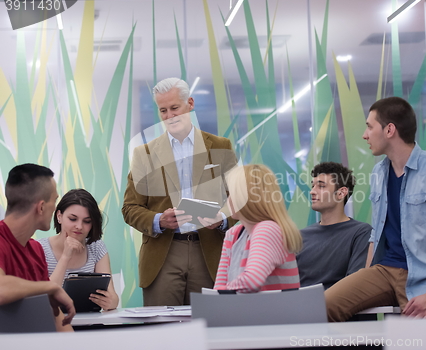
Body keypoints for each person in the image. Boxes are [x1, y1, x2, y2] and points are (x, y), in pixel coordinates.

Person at [324, 97, 426, 321]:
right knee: (322, 307)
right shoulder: (379, 173)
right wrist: (365, 276)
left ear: (389, 130)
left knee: (418, 342)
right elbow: (377, 234)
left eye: (369, 127)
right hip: (384, 271)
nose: (365, 135)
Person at [122, 77, 238, 306]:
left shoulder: (221, 146)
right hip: (163, 252)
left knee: (210, 329)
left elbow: (239, 197)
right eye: (162, 110)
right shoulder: (143, 154)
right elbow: (130, 208)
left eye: (174, 108)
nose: (169, 116)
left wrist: (223, 219)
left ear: (190, 103)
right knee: (162, 333)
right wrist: (158, 220)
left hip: (210, 251)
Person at [0, 164, 75, 331]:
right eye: (54, 201)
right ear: (41, 207)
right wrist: (51, 286)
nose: (55, 208)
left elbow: (55, 316)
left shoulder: (36, 250)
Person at [214, 164, 302, 292]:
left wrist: (222, 293)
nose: (228, 200)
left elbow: (252, 280)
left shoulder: (267, 229)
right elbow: (218, 289)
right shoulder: (233, 234)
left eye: (232, 194)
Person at [38, 189, 119, 311]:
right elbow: (44, 299)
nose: (79, 226)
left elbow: (113, 297)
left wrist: (110, 302)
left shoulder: (96, 247)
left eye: (87, 221)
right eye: (72, 219)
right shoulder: (40, 248)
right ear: (59, 216)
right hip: (53, 325)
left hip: (90, 324)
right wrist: (66, 256)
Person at [297, 162, 371, 289]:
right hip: (298, 305)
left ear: (341, 193)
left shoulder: (361, 233)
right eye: (313, 186)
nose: (312, 192)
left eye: (321, 186)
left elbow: (355, 284)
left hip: (339, 306)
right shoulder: (300, 236)